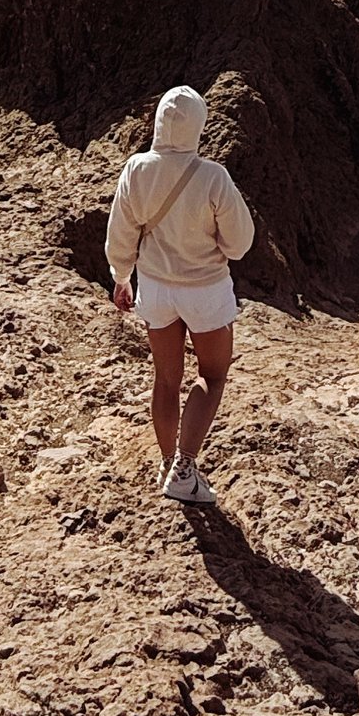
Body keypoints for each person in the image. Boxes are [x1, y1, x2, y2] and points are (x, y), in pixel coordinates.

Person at [105, 86, 255, 505]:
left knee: (166, 379)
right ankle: (184, 470)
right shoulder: (212, 176)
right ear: (199, 126)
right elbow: (239, 244)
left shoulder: (136, 169)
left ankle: (167, 460)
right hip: (205, 290)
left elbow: (121, 234)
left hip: (155, 289)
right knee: (213, 376)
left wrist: (122, 278)